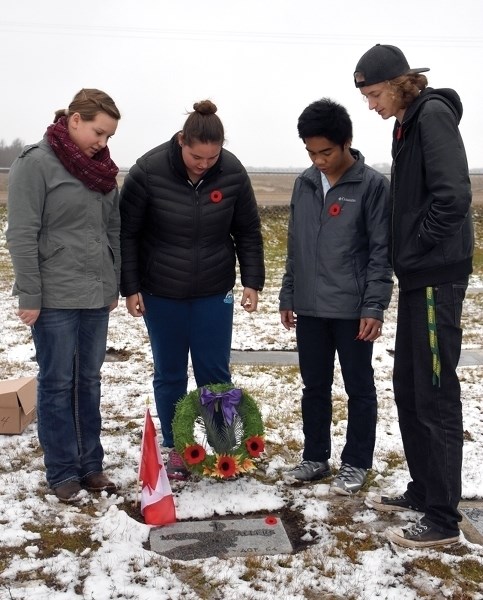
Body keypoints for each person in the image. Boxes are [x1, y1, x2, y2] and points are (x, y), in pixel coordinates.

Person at [353, 44, 474, 548]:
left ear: (402, 82)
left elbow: (453, 197)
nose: (371, 104)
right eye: (365, 96)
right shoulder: (407, 123)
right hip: (418, 277)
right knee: (409, 385)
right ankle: (424, 490)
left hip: (436, 276)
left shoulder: (433, 117)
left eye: (375, 93)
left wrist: (416, 246)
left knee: (436, 392)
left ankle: (444, 519)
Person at [120, 99, 265, 480]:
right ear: (182, 141)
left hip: (213, 292)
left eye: (212, 157)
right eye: (197, 157)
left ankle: (222, 450)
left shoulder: (232, 172)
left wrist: (252, 280)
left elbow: (248, 230)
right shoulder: (147, 172)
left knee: (214, 374)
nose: (204, 164)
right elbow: (128, 234)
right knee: (169, 373)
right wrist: (130, 287)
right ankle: (177, 448)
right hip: (160, 292)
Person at [6, 89, 122, 503]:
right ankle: (62, 471)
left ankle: (91, 465)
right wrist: (30, 294)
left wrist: (114, 282)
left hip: (96, 294)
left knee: (88, 381)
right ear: (75, 119)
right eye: (98, 132)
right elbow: (21, 232)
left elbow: (112, 230)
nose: (103, 143)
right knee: (57, 383)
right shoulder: (35, 163)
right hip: (53, 295)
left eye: (109, 136)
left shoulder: (103, 171)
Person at [279, 98, 393, 495]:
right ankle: (315, 457)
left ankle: (357, 462)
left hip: (353, 310)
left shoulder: (374, 186)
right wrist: (288, 294)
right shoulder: (304, 183)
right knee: (314, 386)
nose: (319, 160)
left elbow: (382, 252)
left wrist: (374, 305)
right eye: (311, 152)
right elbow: (295, 245)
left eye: (326, 152)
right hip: (309, 307)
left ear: (347, 143)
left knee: (359, 387)